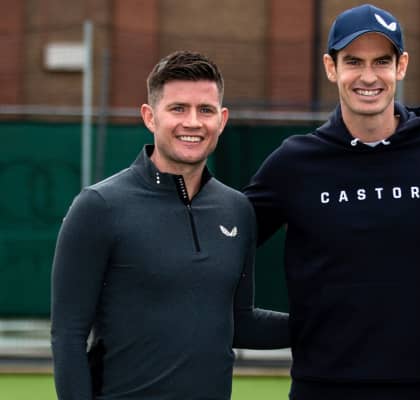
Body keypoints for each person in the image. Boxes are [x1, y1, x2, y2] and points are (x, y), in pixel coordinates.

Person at [243, 4, 420, 399]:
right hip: (323, 387)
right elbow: (225, 240)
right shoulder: (294, 162)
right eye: (353, 61)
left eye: (381, 61)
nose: (368, 77)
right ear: (331, 67)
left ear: (401, 66)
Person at [51, 51, 289, 399]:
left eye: (205, 110)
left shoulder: (237, 209)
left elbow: (241, 323)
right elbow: (68, 335)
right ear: (150, 117)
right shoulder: (98, 207)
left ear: (222, 119)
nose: (193, 122)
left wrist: (328, 321)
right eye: (178, 108)